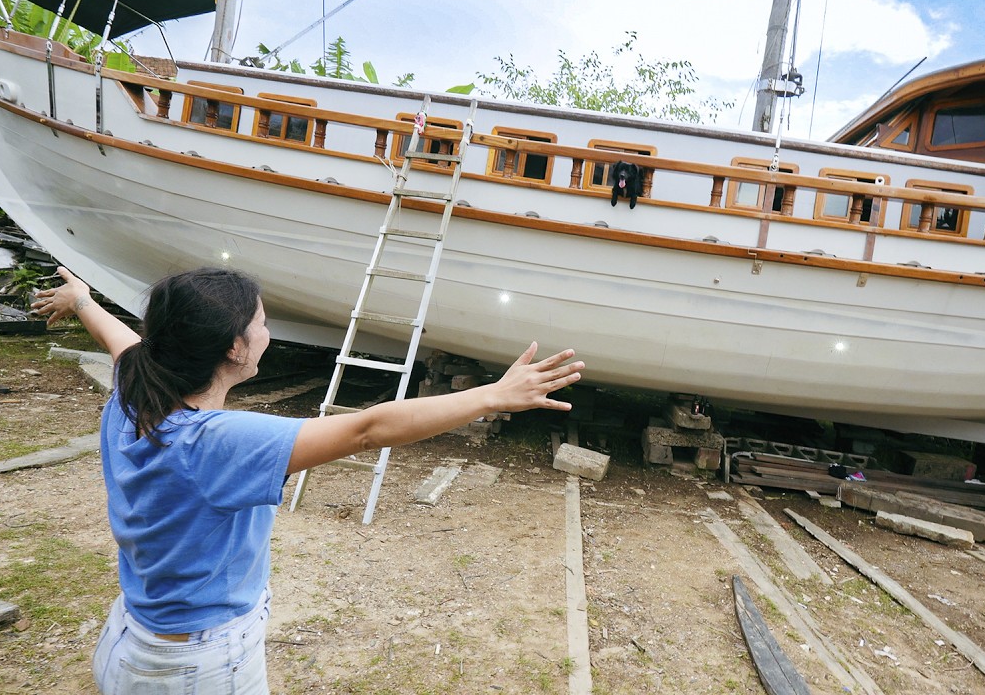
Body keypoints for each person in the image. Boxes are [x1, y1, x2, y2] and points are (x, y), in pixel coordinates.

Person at [32, 266, 583, 694]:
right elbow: (368, 429)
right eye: (261, 323)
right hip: (193, 666)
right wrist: (493, 395)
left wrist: (81, 300)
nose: (268, 331)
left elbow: (122, 341)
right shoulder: (215, 443)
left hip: (133, 635)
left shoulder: (133, 388)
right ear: (234, 348)